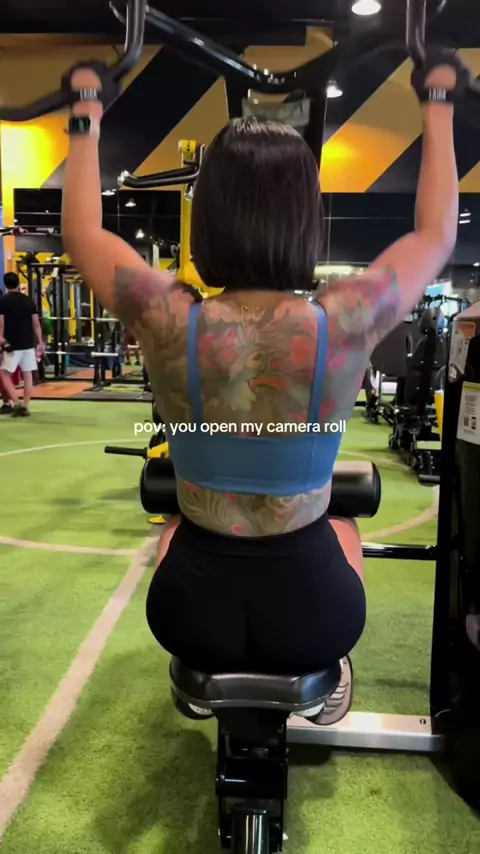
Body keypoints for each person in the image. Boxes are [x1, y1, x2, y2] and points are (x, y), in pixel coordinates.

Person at [62, 51, 460, 676]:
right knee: (344, 526)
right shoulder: (345, 317)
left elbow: (83, 234)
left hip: (188, 613)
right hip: (315, 617)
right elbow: (436, 235)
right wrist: (438, 104)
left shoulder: (168, 318)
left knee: (172, 532)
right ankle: (329, 681)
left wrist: (85, 112)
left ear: (208, 218)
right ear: (305, 221)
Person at [0, 273, 43, 417]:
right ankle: (25, 405)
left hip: (12, 344)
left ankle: (17, 403)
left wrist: (2, 340)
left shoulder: (3, 301)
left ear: (5, 284)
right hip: (28, 343)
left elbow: (1, 325)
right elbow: (36, 323)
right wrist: (40, 342)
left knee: (4, 373)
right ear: (18, 283)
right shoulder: (28, 301)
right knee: (28, 374)